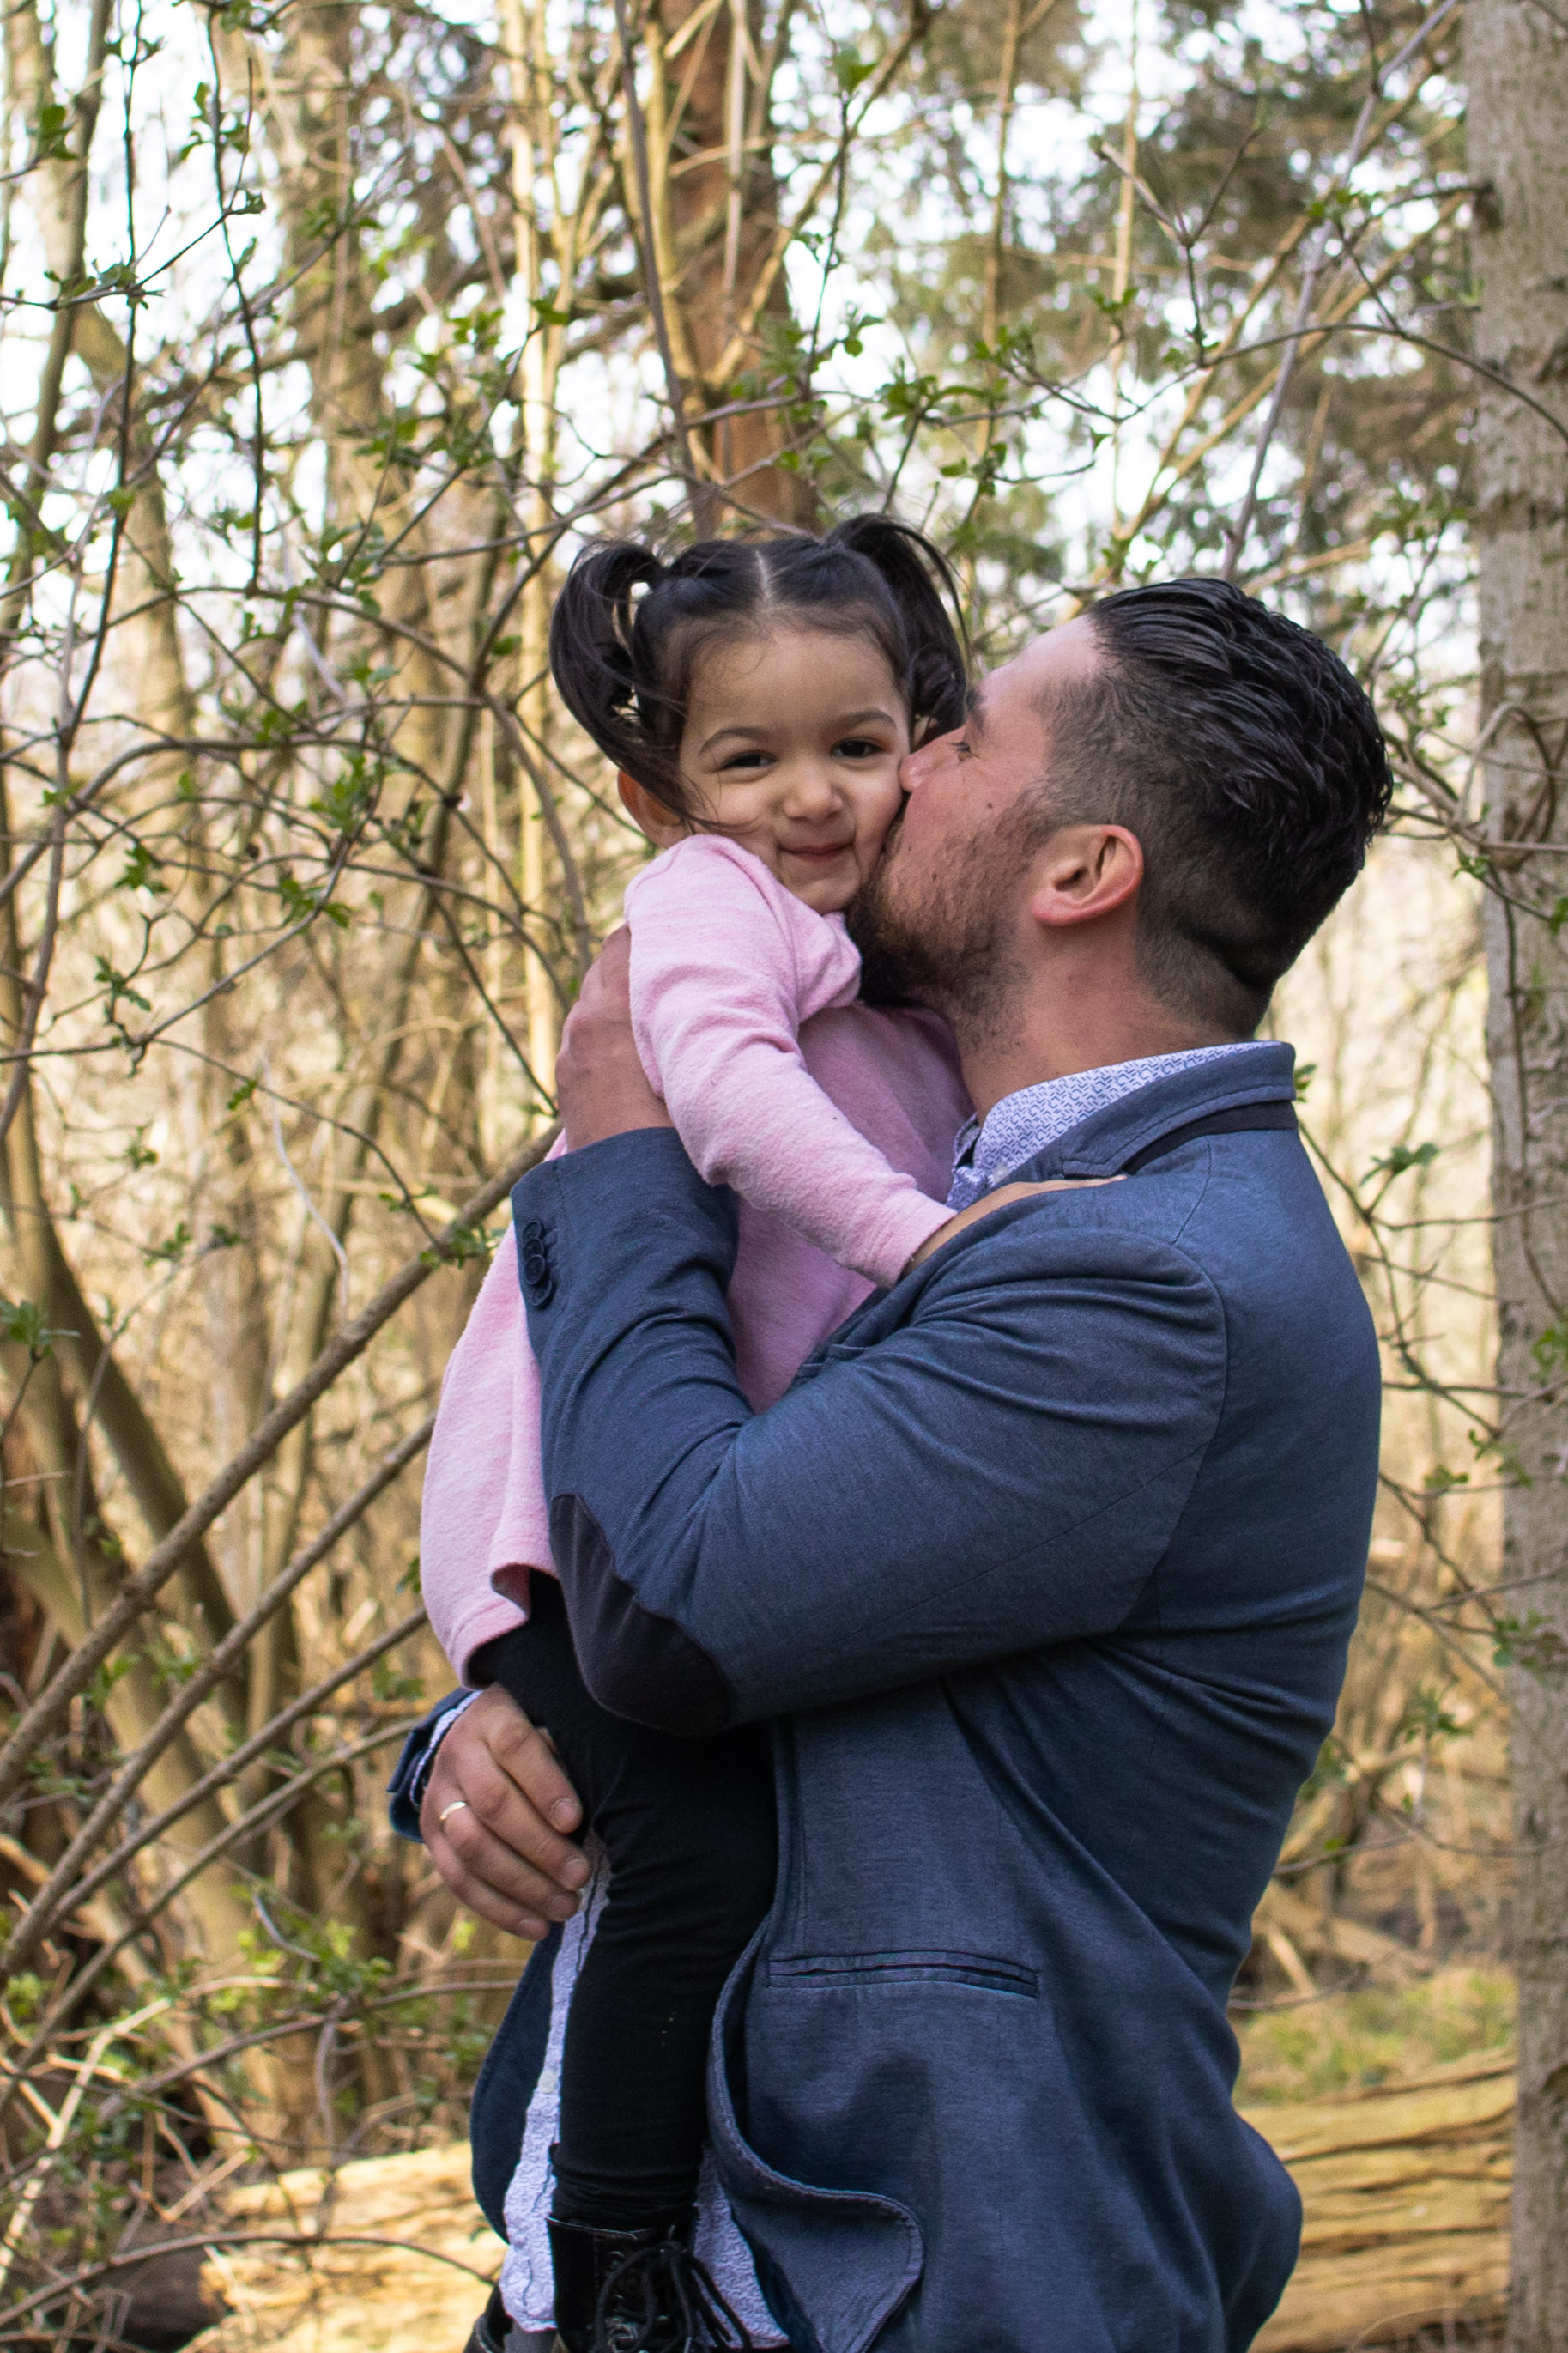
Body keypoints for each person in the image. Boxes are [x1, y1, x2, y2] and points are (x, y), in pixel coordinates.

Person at [393, 578, 1391, 2353]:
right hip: (691, 2257)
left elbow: (684, 1604)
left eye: (950, 737)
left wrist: (627, 1131)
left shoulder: (1140, 1276)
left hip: (920, 2273)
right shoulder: (951, 1170)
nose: (892, 767)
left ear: (1076, 871)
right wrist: (488, 1726)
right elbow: (772, 1583)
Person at [416, 519, 974, 2351]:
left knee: (721, 1839)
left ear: (920, 734)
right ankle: (618, 2258)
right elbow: (720, 1104)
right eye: (747, 760)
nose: (809, 798)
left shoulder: (879, 956)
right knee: (696, 1853)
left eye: (855, 743)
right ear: (661, 791)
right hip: (570, 1523)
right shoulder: (708, 912)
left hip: (676, 1511)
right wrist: (923, 1246)